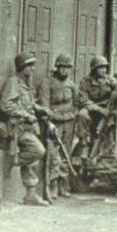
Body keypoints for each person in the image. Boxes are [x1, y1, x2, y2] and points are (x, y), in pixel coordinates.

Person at [0, 52, 49, 207]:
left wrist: (41, 109)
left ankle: (30, 194)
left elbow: (28, 103)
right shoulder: (13, 82)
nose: (33, 69)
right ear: (22, 67)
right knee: (38, 151)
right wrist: (25, 115)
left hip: (29, 127)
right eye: (30, 65)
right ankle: (9, 163)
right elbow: (5, 104)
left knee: (32, 161)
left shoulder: (27, 83)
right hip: (18, 128)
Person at [37, 54, 77, 198]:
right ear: (57, 67)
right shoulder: (47, 82)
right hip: (54, 122)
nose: (65, 71)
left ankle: (63, 185)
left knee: (66, 154)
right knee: (53, 155)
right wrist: (49, 120)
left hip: (69, 122)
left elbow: (77, 103)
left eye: (67, 68)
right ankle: (52, 186)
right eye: (62, 67)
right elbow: (44, 103)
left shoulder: (71, 85)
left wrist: (74, 116)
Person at [74, 56, 117, 161]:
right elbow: (84, 100)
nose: (104, 70)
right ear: (94, 69)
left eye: (105, 68)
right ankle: (83, 145)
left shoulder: (109, 79)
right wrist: (99, 109)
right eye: (101, 68)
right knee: (82, 114)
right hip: (92, 110)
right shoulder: (85, 81)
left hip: (107, 110)